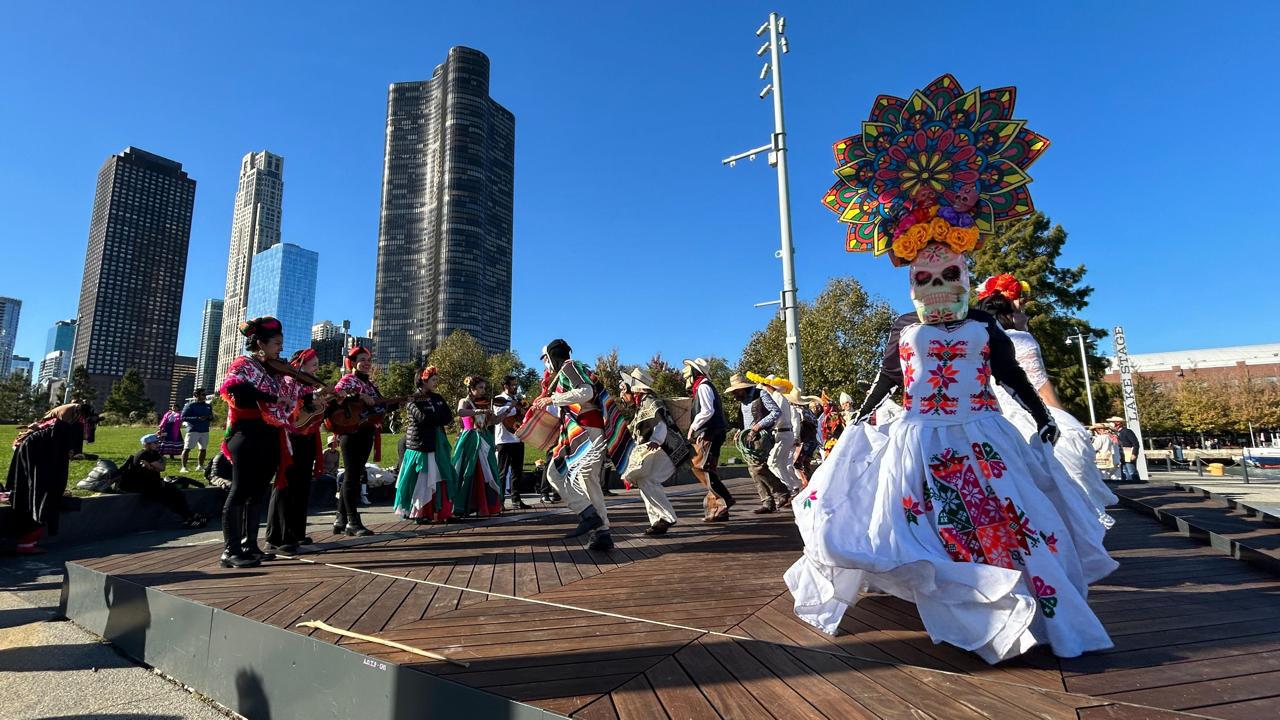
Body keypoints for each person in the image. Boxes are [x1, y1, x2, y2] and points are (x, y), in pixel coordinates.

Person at [789, 75, 1110, 663]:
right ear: (911, 282)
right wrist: (856, 422)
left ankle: (1018, 613)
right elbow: (888, 380)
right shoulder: (904, 331)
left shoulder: (985, 326)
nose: (937, 287)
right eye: (924, 278)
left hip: (984, 437)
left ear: (965, 274)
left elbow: (1011, 377)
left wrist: (1041, 415)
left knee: (1006, 523)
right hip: (916, 441)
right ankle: (965, 606)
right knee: (924, 525)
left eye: (948, 276)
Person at [975, 275, 1117, 533]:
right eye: (1023, 308)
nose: (1026, 315)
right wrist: (1059, 417)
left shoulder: (978, 342)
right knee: (1068, 481)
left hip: (997, 424)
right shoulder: (1022, 340)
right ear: (1012, 310)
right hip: (1032, 418)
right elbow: (1042, 388)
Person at [217, 316, 292, 568]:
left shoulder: (272, 371)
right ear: (260, 343)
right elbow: (234, 391)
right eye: (277, 343)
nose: (280, 348)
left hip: (268, 435)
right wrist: (272, 398)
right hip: (246, 435)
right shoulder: (244, 364)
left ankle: (250, 544)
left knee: (257, 493)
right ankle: (230, 549)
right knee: (239, 491)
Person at [533, 339, 621, 551]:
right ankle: (602, 532)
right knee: (587, 482)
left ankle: (589, 516)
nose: (546, 364)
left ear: (553, 356)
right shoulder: (571, 370)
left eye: (546, 359)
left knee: (556, 473)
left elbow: (586, 392)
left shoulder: (569, 367)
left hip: (586, 432)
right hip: (585, 431)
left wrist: (553, 399)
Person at [4, 404, 95, 553]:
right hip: (39, 457)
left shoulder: (55, 426)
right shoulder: (61, 428)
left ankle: (26, 543)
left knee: (35, 495)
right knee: (40, 497)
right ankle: (26, 545)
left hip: (36, 455)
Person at [265, 348, 330, 553]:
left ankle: (296, 532)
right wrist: (309, 402)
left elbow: (312, 415)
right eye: (314, 364)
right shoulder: (287, 381)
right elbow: (287, 410)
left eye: (317, 365)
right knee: (286, 484)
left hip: (308, 439)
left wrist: (322, 404)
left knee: (302, 485)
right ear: (299, 364)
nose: (316, 368)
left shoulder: (311, 387)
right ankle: (277, 536)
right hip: (290, 438)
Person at [331, 346, 388, 536]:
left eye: (368, 360)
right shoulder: (348, 380)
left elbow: (380, 407)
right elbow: (336, 396)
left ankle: (340, 519)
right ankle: (352, 522)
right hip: (352, 432)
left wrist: (400, 401)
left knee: (354, 474)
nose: (366, 363)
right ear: (353, 363)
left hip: (367, 432)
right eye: (362, 360)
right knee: (352, 476)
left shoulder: (371, 385)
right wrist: (358, 395)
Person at [618, 368, 680, 535]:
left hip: (665, 449)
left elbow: (660, 424)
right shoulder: (643, 404)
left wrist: (656, 440)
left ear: (635, 388)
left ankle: (666, 518)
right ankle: (658, 521)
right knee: (645, 481)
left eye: (625, 389)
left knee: (648, 480)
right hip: (658, 449)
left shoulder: (650, 401)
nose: (623, 393)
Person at [394, 366, 459, 522]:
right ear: (423, 380)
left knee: (441, 475)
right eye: (433, 380)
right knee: (422, 479)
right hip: (420, 444)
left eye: (436, 379)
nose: (436, 382)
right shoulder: (413, 399)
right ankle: (420, 512)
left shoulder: (438, 397)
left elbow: (448, 417)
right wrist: (436, 417)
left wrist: (434, 417)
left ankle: (441, 512)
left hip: (438, 443)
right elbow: (423, 418)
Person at [726, 373, 790, 514]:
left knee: (758, 468)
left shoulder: (761, 394)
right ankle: (767, 502)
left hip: (761, 437)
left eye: (736, 391)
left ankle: (781, 492)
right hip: (748, 438)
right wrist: (740, 430)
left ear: (742, 389)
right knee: (753, 470)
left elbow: (775, 412)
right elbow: (746, 419)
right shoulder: (742, 402)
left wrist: (758, 426)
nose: (734, 395)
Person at [683, 357, 735, 521]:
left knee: (701, 467)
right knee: (705, 468)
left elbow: (707, 411)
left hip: (710, 432)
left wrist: (693, 427)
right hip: (712, 431)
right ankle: (718, 508)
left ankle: (724, 499)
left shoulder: (703, 387)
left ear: (694, 372)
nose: (685, 375)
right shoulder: (703, 386)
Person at [118, 434, 207, 528]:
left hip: (154, 483)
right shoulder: (144, 454)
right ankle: (187, 519)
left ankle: (191, 515)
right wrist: (158, 464)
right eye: (155, 443)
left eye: (158, 442)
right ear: (147, 444)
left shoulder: (154, 453)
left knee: (178, 494)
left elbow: (162, 467)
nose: (158, 444)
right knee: (167, 499)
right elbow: (161, 467)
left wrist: (153, 465)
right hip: (143, 485)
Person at [452, 376, 503, 518]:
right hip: (470, 439)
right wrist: (478, 412)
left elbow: (493, 421)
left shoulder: (483, 404)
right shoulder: (465, 401)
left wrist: (506, 412)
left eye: (484, 388)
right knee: (468, 470)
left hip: (484, 438)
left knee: (488, 470)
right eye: (480, 388)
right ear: (471, 389)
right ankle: (464, 505)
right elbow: (460, 412)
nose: (483, 391)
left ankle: (486, 504)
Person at [747, 372, 802, 495]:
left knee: (774, 464)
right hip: (783, 433)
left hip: (782, 433)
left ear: (769, 386)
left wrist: (762, 425)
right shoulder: (780, 397)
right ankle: (794, 486)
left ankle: (791, 487)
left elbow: (776, 416)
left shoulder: (777, 397)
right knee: (781, 464)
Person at [492, 375, 530, 509]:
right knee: (502, 472)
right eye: (513, 385)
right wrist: (514, 408)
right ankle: (500, 501)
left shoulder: (517, 400)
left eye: (516, 384)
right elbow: (497, 414)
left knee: (517, 471)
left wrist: (524, 409)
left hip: (518, 438)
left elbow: (525, 413)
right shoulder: (499, 399)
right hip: (504, 440)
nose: (516, 387)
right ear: (505, 386)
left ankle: (516, 499)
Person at [788, 389, 822, 489]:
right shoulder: (808, 412)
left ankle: (806, 484)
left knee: (797, 464)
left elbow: (797, 427)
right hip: (812, 441)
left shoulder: (796, 411)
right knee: (806, 463)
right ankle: (812, 484)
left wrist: (796, 439)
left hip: (803, 441)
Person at [180, 390, 215, 472]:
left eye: (205, 394)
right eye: (203, 394)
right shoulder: (190, 405)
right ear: (196, 395)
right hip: (193, 430)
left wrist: (209, 417)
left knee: (203, 449)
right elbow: (183, 417)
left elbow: (211, 417)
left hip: (205, 430)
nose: (205, 396)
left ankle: (200, 466)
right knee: (187, 448)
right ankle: (183, 467)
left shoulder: (208, 406)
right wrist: (197, 418)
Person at [1112, 417, 1142, 482]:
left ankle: (1137, 483)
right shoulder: (1116, 433)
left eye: (1114, 424)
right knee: (1124, 471)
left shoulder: (1127, 431)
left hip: (1128, 453)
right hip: (1121, 454)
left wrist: (1134, 453)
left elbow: (1135, 443)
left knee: (1131, 471)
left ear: (1118, 424)